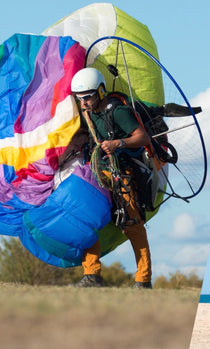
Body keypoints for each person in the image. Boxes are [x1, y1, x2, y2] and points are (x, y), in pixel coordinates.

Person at [69, 68, 153, 289]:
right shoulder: (86, 113)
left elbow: (142, 137)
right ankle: (91, 275)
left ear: (100, 91)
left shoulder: (118, 111)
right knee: (89, 218)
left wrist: (118, 143)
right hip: (99, 172)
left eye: (88, 97)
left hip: (122, 172)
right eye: (80, 98)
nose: (84, 102)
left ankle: (143, 279)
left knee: (132, 224)